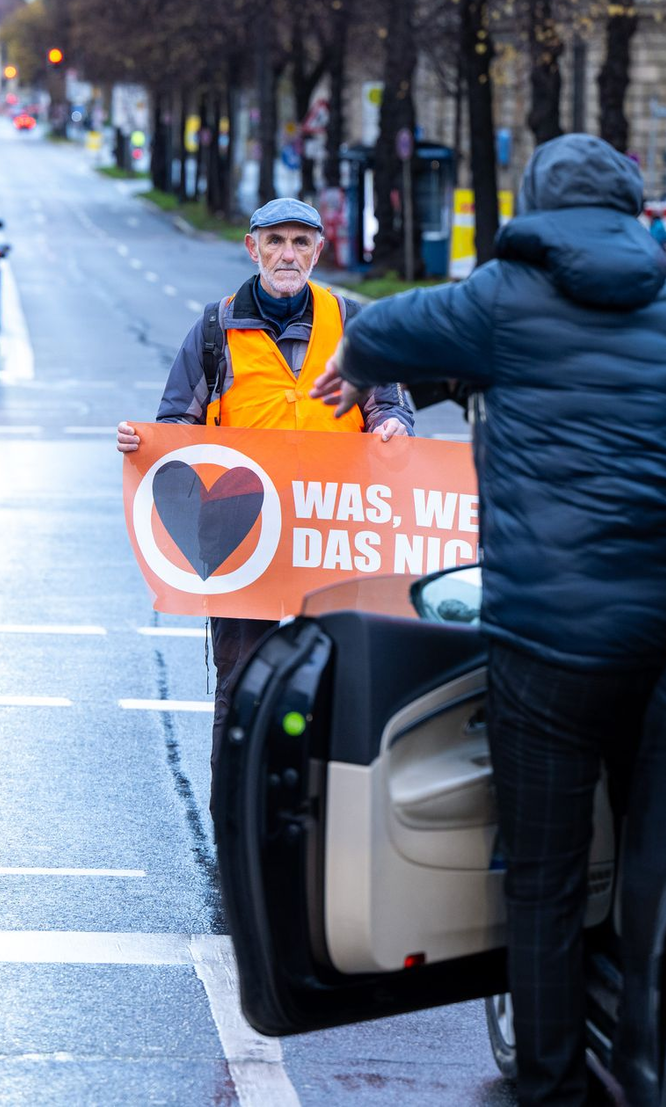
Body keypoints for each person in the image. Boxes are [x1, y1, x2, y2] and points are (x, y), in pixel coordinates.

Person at [309, 133, 666, 1107]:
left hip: (546, 642)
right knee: (653, 866)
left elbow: (381, 335)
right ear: (636, 207)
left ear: (534, 206)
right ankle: (644, 1061)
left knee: (544, 874)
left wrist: (352, 358)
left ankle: (549, 1084)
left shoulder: (502, 299)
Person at [116, 198, 413, 786]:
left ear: (318, 252)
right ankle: (235, 819)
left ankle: (324, 816)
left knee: (337, 678)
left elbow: (390, 402)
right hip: (243, 541)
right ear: (252, 248)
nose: (288, 254)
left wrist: (392, 425)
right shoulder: (214, 328)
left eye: (301, 243)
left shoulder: (352, 323)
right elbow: (179, 422)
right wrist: (146, 442)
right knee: (243, 684)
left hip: (333, 539)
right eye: (275, 241)